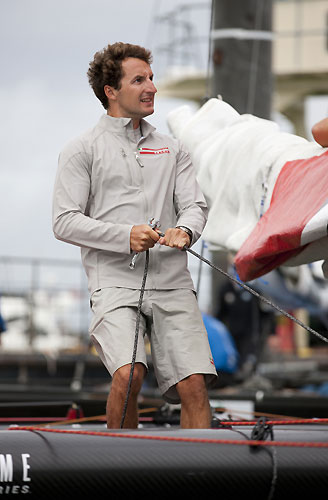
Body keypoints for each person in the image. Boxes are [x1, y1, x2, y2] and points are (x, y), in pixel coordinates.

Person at [52, 42, 217, 429]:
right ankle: (122, 472)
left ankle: (203, 476)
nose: (152, 87)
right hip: (113, 284)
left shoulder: (174, 149)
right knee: (129, 376)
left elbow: (195, 205)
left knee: (194, 384)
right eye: (139, 80)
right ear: (111, 91)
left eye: (152, 78)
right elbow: (64, 221)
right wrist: (126, 235)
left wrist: (186, 229)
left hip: (173, 283)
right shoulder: (81, 150)